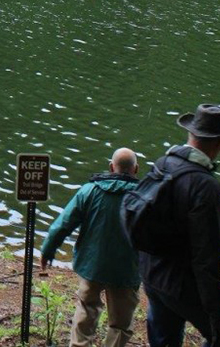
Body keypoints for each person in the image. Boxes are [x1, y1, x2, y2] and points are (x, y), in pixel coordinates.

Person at [139, 104, 220, 347]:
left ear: (191, 134)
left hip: (152, 273)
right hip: (183, 284)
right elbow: (209, 258)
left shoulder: (162, 164)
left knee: (164, 340)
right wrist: (217, 315)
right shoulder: (206, 187)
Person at [41, 147, 141, 347]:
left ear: (111, 167)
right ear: (136, 169)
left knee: (86, 311)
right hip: (126, 270)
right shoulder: (144, 196)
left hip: (92, 265)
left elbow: (64, 223)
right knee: (120, 324)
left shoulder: (89, 190)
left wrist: (48, 250)